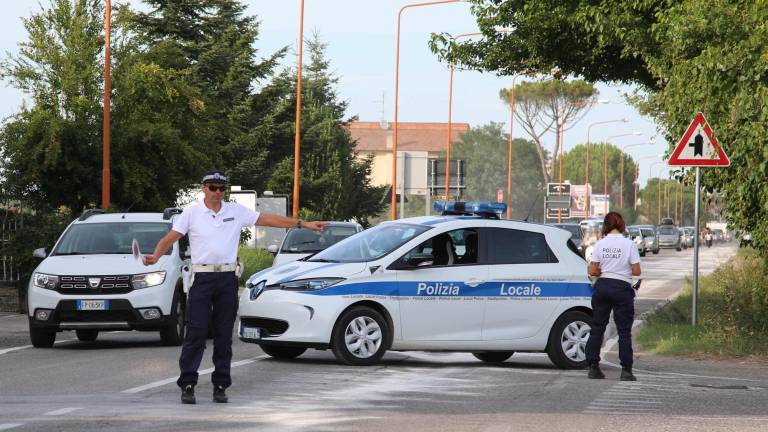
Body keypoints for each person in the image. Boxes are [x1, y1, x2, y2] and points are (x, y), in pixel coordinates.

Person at [143, 170, 326, 404]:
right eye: (213, 188)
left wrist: (303, 224)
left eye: (221, 188)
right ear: (203, 188)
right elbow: (170, 238)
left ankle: (220, 385)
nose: (218, 192)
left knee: (223, 336)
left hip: (227, 278)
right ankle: (188, 383)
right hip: (203, 279)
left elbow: (269, 219)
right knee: (196, 333)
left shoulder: (235, 211)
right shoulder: (192, 213)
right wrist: (156, 256)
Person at [585, 212, 641, 381]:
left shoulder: (600, 244)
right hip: (621, 288)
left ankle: (593, 367)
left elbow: (592, 271)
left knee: (597, 327)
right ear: (622, 225)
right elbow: (637, 271)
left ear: (606, 225)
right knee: (624, 331)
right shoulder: (629, 244)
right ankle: (626, 370)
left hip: (602, 287)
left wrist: (604, 270)